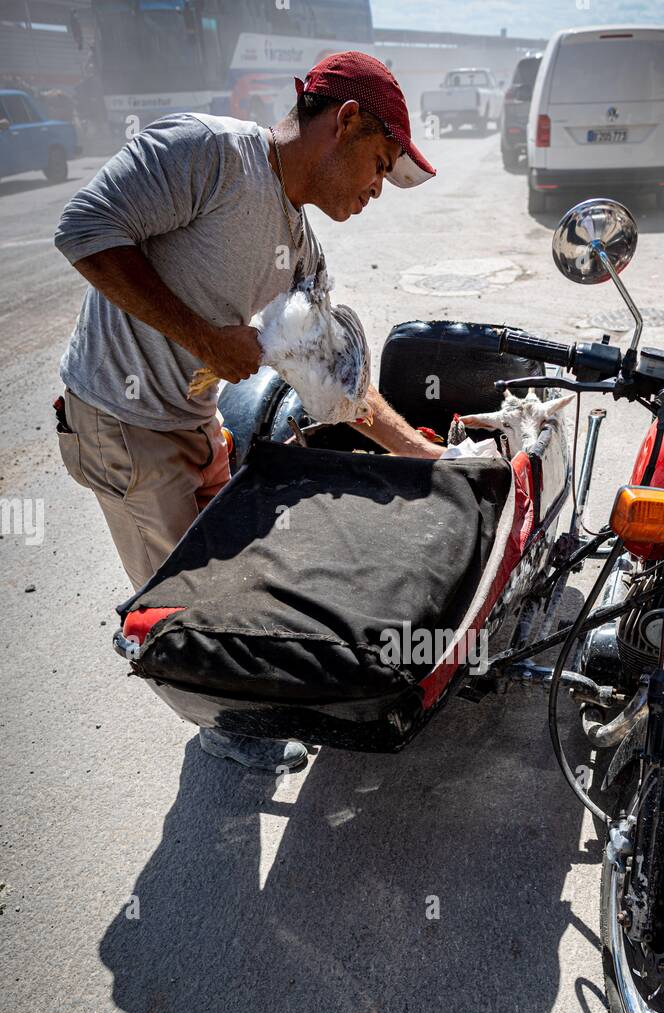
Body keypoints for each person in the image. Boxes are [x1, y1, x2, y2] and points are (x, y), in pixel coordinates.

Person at [55, 51, 440, 773]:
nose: (378, 189)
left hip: (193, 418)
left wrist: (433, 461)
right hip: (121, 423)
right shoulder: (205, 153)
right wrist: (203, 337)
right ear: (345, 121)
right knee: (182, 600)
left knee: (232, 573)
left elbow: (339, 385)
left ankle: (214, 675)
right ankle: (223, 723)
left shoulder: (300, 250)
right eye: (380, 164)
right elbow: (84, 231)